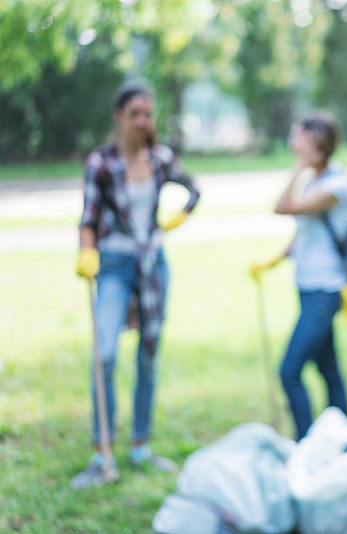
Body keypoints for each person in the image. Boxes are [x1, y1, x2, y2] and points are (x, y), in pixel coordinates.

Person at [72, 82, 200, 489]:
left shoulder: (161, 158)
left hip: (153, 265)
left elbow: (195, 190)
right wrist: (86, 253)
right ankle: (101, 450)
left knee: (148, 356)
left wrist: (179, 216)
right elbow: (88, 219)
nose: (143, 121)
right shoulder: (102, 163)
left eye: (149, 114)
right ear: (119, 117)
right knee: (104, 355)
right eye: (135, 114)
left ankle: (140, 445)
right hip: (113, 264)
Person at [251, 112, 347, 440]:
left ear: (314, 142)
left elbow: (283, 207)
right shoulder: (317, 178)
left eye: (298, 136)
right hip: (309, 289)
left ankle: (305, 442)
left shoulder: (335, 185)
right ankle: (343, 436)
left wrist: (299, 167)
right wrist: (276, 258)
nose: (293, 141)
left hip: (325, 292)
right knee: (329, 370)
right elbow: (306, 234)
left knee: (290, 371)